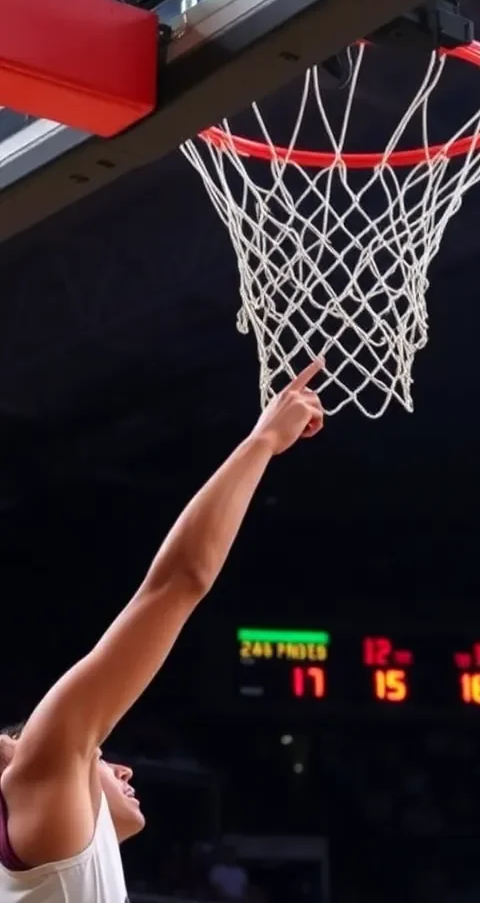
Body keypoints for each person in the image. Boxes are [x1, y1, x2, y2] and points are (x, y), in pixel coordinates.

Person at [0, 360, 326, 903]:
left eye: (98, 755)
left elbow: (176, 585)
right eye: (97, 755)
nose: (121, 765)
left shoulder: (47, 801)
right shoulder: (47, 815)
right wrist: (262, 441)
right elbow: (178, 582)